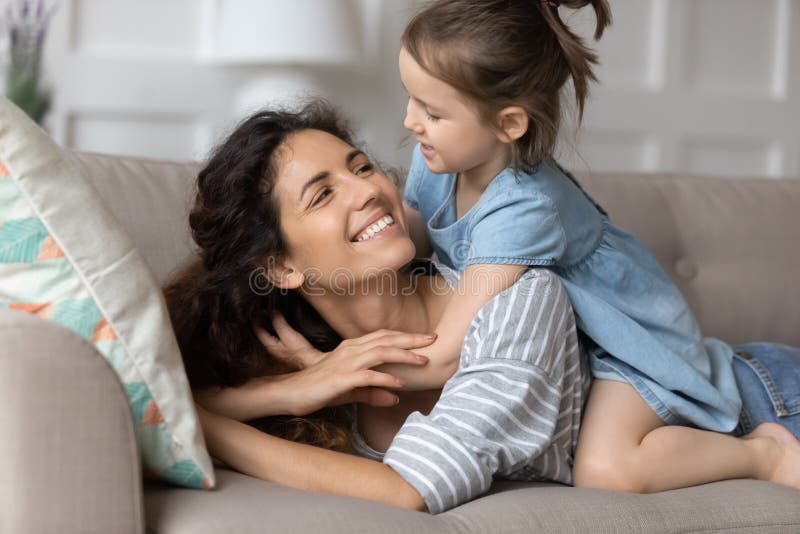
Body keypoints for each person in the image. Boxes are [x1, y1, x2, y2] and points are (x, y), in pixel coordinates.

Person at [165, 101, 800, 514]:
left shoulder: (513, 296)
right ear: (280, 267)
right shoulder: (323, 373)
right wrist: (290, 393)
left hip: (763, 402)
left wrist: (204, 425)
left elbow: (407, 491)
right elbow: (178, 392)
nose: (369, 189)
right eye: (323, 193)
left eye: (361, 166)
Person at [378, 0, 786, 493]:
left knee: (606, 470)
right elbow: (413, 242)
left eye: (432, 111)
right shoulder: (438, 159)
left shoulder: (522, 209)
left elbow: (445, 356)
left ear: (509, 124)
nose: (409, 121)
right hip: (573, 348)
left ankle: (762, 453)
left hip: (629, 342)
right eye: (410, 99)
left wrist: (331, 371)